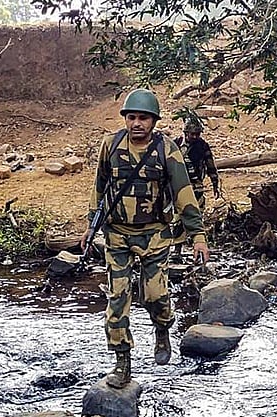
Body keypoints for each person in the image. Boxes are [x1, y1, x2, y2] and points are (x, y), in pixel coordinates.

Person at [80, 89, 210, 389]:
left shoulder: (166, 149)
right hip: (117, 235)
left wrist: (197, 237)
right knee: (117, 298)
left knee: (154, 294)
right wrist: (91, 226)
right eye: (132, 117)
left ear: (153, 121)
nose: (137, 123)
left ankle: (162, 328)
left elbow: (183, 193)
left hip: (155, 235)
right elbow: (99, 188)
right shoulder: (110, 145)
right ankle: (122, 361)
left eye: (143, 118)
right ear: (125, 118)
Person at [171, 116, 221, 260]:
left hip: (196, 185)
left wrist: (215, 183)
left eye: (197, 134)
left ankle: (198, 246)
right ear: (185, 132)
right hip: (178, 186)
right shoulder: (176, 144)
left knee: (197, 215)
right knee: (179, 216)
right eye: (192, 134)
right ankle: (177, 248)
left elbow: (210, 164)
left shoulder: (202, 146)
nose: (194, 137)